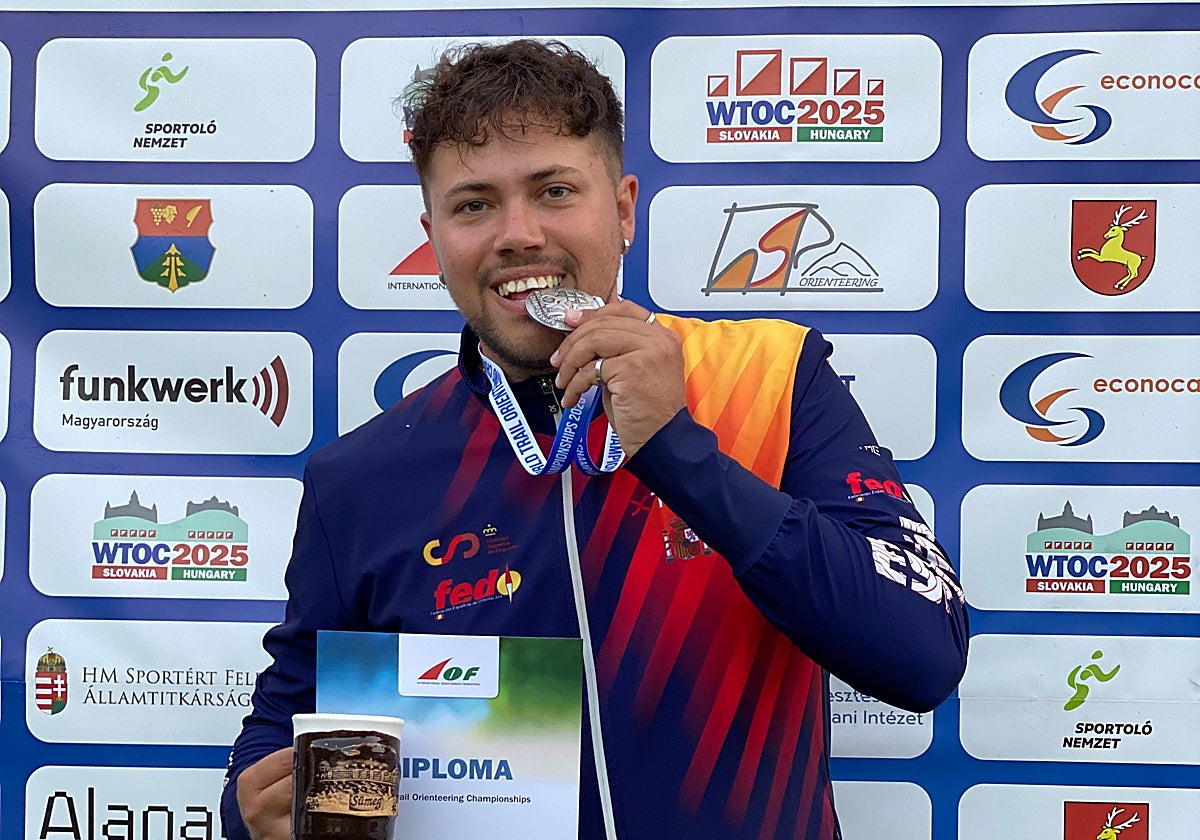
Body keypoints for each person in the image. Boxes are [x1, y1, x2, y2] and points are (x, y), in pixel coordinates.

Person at [222, 39, 967, 840]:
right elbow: (284, 726)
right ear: (433, 236)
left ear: (622, 208)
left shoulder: (773, 379)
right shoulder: (360, 476)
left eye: (553, 191)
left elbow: (921, 656)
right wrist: (252, 812)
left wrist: (679, 451)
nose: (518, 233)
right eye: (473, 204)